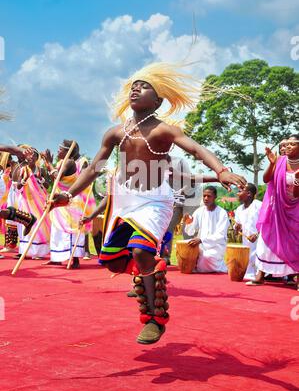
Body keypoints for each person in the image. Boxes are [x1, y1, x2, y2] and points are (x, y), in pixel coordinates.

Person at [49, 62, 246, 344]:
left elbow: (196, 149)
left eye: (144, 86)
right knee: (115, 264)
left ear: (157, 101)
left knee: (141, 252)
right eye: (133, 86)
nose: (136, 89)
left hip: (155, 202)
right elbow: (93, 169)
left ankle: (155, 318)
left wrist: (221, 171)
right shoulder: (115, 133)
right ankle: (147, 272)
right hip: (125, 201)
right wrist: (68, 196)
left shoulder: (163, 131)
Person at [247, 134, 299, 287]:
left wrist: (297, 181)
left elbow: (297, 194)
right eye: (286, 144)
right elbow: (265, 179)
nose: (287, 146)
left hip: (295, 209)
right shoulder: (280, 161)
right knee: (266, 239)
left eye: (292, 144)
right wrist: (271, 163)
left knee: (295, 242)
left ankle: (296, 277)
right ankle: (260, 275)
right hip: (276, 209)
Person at [42, 140, 96, 268]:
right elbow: (54, 178)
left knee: (71, 231)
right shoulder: (62, 162)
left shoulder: (70, 162)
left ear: (68, 151)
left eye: (61, 149)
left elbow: (58, 176)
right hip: (59, 200)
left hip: (69, 201)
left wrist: (49, 162)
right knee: (57, 230)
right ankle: (56, 257)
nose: (58, 151)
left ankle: (75, 259)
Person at [183, 186, 230, 273]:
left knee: (207, 257)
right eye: (204, 196)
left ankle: (221, 268)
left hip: (216, 246)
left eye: (209, 196)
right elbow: (190, 231)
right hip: (200, 246)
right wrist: (188, 223)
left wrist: (201, 240)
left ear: (215, 197)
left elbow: (220, 235)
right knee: (185, 250)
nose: (206, 198)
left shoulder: (222, 213)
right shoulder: (199, 211)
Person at [15, 146, 50, 260]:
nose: (30, 157)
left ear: (36, 158)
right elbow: (19, 185)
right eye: (29, 155)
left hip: (39, 202)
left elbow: (48, 186)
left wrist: (41, 180)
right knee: (25, 223)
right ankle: (25, 251)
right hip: (26, 201)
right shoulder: (23, 170)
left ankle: (38, 253)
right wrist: (24, 180)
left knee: (38, 226)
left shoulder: (41, 170)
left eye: (33, 155)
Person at [234, 183, 262, 280]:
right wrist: (237, 227)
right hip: (246, 243)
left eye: (240, 191)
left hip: (260, 242)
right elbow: (237, 226)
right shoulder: (238, 209)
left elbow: (267, 223)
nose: (237, 194)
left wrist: (257, 234)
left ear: (249, 193)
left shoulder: (259, 205)